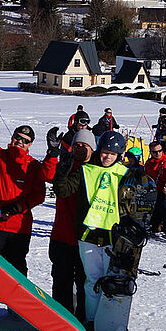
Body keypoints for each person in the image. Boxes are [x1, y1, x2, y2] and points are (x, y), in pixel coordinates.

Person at [54, 131, 131, 331]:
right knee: (92, 280)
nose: (107, 157)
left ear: (119, 155)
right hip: (89, 236)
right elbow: (63, 191)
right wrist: (61, 171)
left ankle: (113, 322)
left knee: (113, 282)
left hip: (114, 237)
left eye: (112, 154)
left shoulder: (127, 174)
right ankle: (91, 320)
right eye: (105, 152)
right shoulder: (85, 171)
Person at [0, 80, 47, 276]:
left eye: (25, 141)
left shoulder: (33, 166)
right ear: (12, 137)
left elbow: (40, 195)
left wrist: (18, 208)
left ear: (30, 145)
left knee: (16, 272)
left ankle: (16, 308)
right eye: (18, 137)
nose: (20, 142)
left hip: (19, 227)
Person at [46, 128, 96, 319]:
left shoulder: (97, 170)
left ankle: (84, 315)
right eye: (77, 145)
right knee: (61, 280)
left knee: (85, 281)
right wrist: (53, 154)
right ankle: (62, 315)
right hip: (62, 234)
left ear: (93, 149)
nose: (81, 148)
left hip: (86, 239)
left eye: (85, 145)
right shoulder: (66, 165)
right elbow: (53, 181)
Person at [144, 141, 166, 234]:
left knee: (164, 206)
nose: (158, 153)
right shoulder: (149, 163)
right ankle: (152, 226)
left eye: (160, 151)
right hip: (153, 190)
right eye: (155, 152)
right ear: (150, 152)